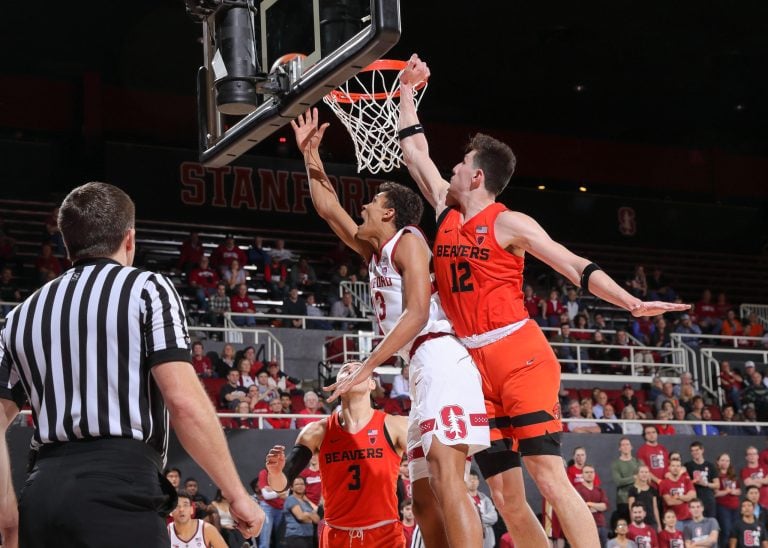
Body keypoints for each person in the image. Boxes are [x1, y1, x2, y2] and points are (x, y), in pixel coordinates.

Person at [397, 53, 690, 548]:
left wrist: (630, 303)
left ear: (477, 178)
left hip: (519, 355)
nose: (451, 166)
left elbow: (573, 265)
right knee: (505, 494)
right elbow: (414, 152)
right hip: (471, 363)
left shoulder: (510, 223)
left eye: (461, 163)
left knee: (547, 474)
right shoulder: (445, 210)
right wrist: (406, 91)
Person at [0, 182, 263, 546]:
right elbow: (183, 402)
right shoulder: (146, 289)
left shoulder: (21, 315)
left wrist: (7, 514)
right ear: (129, 239)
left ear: (66, 242)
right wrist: (236, 494)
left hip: (42, 495)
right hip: (118, 486)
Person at [292, 109, 490, 547]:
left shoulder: (411, 241)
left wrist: (366, 366)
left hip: (440, 356)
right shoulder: (374, 251)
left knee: (448, 479)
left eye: (370, 202)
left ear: (389, 213)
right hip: (418, 368)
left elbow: (418, 313)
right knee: (422, 499)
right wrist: (311, 155)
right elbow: (329, 209)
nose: (361, 206)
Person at [265, 361, 409, 547]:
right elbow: (280, 485)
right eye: (345, 369)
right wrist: (275, 473)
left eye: (358, 368)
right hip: (336, 535)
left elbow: (429, 467)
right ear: (337, 384)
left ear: (372, 384)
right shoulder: (316, 431)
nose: (351, 370)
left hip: (384, 534)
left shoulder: (395, 425)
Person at [574, 465, 609, 547]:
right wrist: (597, 507)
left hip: (601, 525)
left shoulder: (599, 490)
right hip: (585, 525)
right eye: (586, 472)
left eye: (591, 472)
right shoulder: (577, 490)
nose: (589, 474)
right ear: (582, 474)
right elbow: (578, 508)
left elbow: (604, 506)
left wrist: (589, 504)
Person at [282, 477, 320, 548]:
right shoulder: (291, 499)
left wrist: (307, 515)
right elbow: (301, 517)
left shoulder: (306, 503)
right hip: (296, 536)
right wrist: (310, 515)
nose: (300, 486)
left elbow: (317, 520)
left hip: (309, 536)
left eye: (302, 484)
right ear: (292, 487)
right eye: (297, 484)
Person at [685, 441, 719, 518]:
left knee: (710, 522)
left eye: (697, 450)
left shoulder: (710, 466)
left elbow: (717, 485)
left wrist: (705, 484)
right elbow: (684, 483)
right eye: (692, 451)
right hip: (695, 501)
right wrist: (694, 481)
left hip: (709, 500)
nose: (695, 452)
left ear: (702, 450)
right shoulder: (687, 466)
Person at [659, 458, 696, 528]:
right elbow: (669, 502)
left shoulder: (686, 479)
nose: (675, 468)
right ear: (669, 468)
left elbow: (693, 497)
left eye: (678, 466)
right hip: (674, 520)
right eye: (673, 466)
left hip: (689, 518)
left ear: (681, 468)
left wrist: (679, 497)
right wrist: (686, 498)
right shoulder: (663, 483)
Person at [466, 469, 499, 548]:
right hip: (469, 537)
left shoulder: (485, 499)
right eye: (470, 479)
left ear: (478, 481)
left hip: (487, 540)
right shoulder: (463, 500)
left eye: (475, 479)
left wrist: (476, 519)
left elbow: (494, 517)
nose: (473, 482)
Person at [716, 453, 742, 548]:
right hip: (723, 507)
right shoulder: (716, 475)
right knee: (726, 531)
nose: (725, 462)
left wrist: (733, 491)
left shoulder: (733, 475)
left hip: (735, 507)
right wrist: (726, 491)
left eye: (727, 460)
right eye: (722, 460)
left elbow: (739, 491)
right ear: (718, 462)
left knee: (734, 532)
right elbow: (715, 493)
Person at [612, 437, 642, 521]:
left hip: (639, 498)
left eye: (627, 444)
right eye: (623, 445)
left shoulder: (638, 462)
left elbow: (644, 478)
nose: (625, 447)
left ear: (631, 447)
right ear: (619, 448)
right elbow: (618, 481)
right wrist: (634, 478)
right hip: (623, 500)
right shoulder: (616, 464)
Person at [628, 465, 662, 531]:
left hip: (652, 522)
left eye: (646, 472)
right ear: (637, 474)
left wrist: (659, 524)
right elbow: (630, 508)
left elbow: (655, 508)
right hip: (639, 522)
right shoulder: (633, 490)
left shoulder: (652, 490)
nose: (644, 474)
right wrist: (633, 524)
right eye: (642, 472)